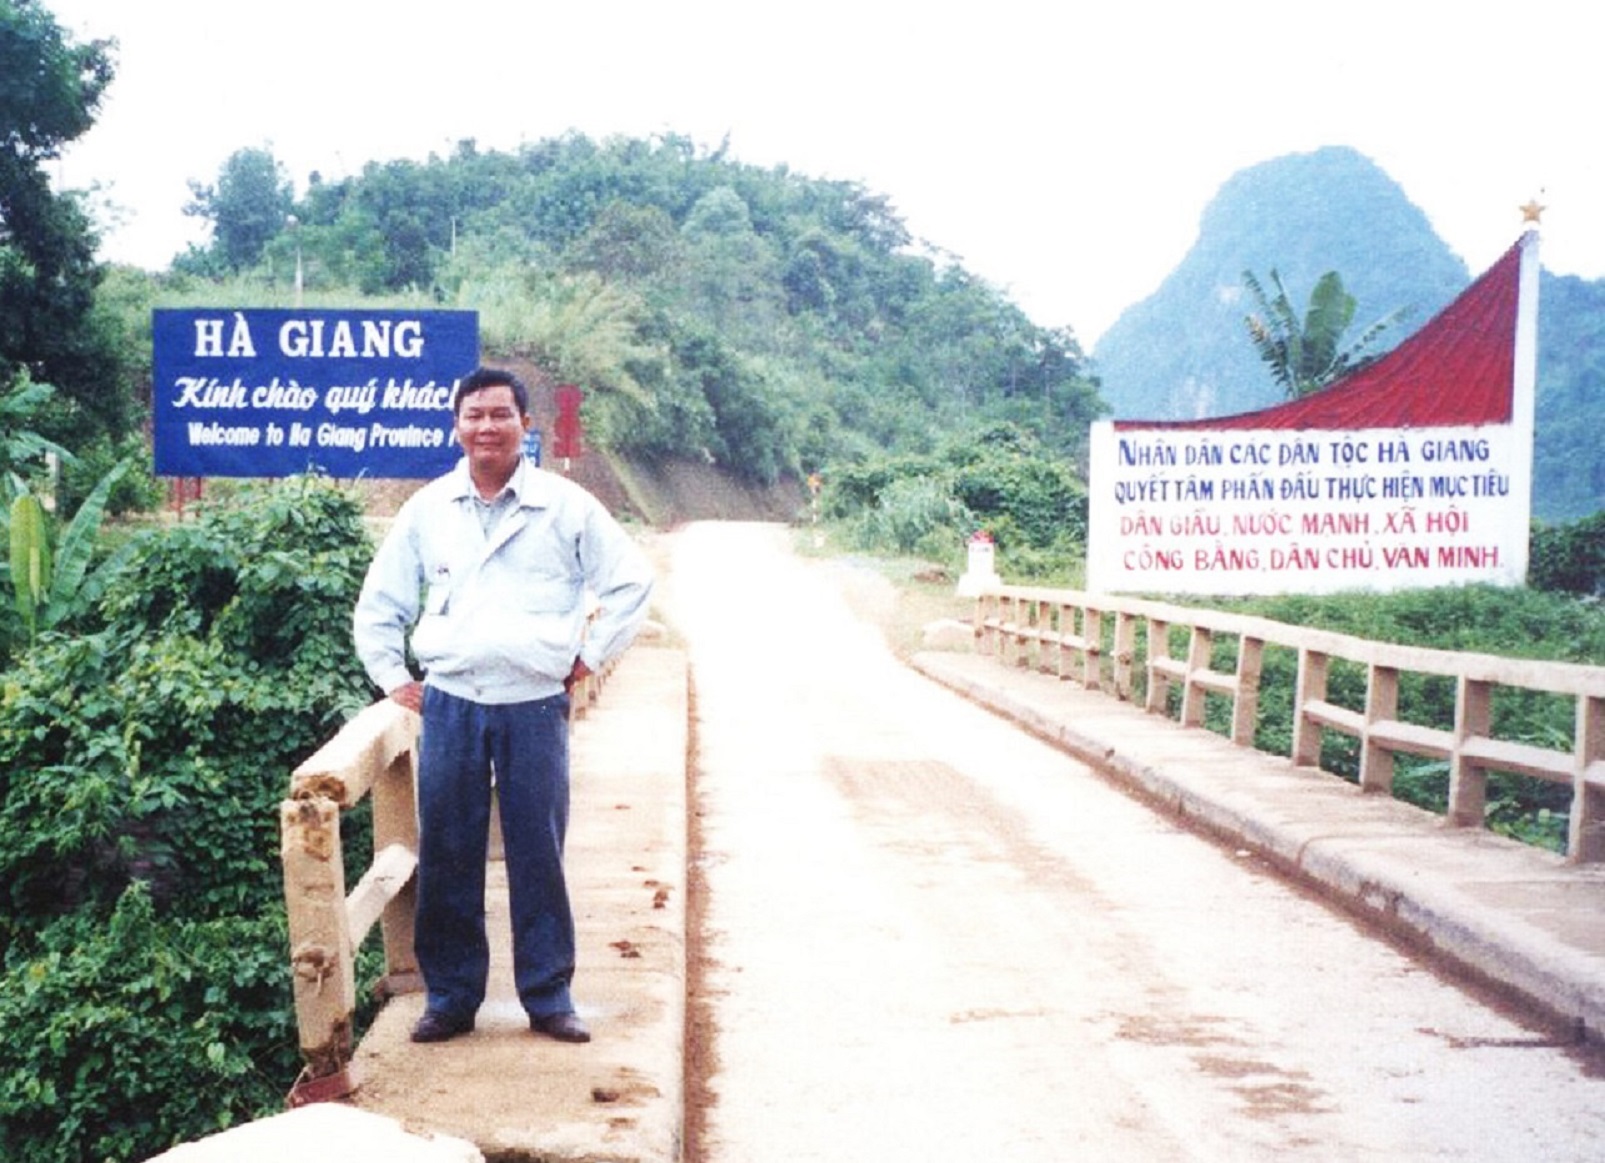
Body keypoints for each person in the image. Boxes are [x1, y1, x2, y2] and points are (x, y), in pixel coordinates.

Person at [353, 366, 653, 1045]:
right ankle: (451, 998)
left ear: (524, 424)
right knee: (448, 850)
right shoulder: (428, 509)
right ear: (456, 426)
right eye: (474, 415)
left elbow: (632, 581)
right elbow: (379, 604)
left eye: (500, 414)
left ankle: (548, 996)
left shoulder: (565, 505)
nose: (486, 426)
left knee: (537, 850)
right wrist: (393, 676)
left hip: (534, 704)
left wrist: (591, 654)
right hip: (452, 703)